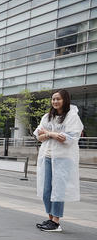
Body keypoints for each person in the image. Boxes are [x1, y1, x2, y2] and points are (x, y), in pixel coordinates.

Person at [33, 89, 83, 232]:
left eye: (58, 99)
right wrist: (53, 135)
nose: (55, 101)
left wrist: (48, 133)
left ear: (65, 100)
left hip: (63, 158)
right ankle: (50, 218)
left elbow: (67, 139)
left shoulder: (72, 117)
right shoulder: (47, 117)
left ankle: (56, 221)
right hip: (47, 156)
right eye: (53, 99)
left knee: (58, 189)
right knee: (46, 189)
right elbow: (39, 137)